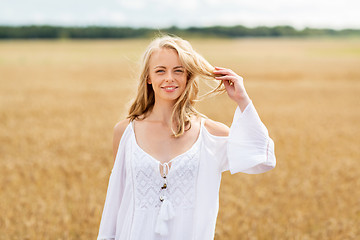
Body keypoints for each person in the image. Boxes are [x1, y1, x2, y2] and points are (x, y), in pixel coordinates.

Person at [97, 35, 276, 240]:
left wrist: (242, 99)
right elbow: (116, 200)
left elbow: (262, 159)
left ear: (188, 76)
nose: (169, 78)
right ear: (148, 77)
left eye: (178, 70)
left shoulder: (211, 134)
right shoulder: (125, 132)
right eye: (160, 71)